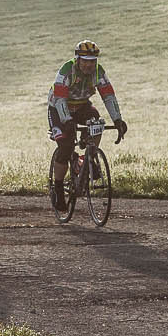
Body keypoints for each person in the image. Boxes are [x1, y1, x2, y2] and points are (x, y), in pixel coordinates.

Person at [48, 39, 126, 210]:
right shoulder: (67, 71)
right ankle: (58, 189)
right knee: (66, 146)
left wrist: (118, 120)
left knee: (96, 121)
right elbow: (60, 99)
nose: (89, 65)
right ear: (77, 59)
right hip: (59, 108)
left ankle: (88, 158)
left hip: (82, 106)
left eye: (92, 61)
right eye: (85, 61)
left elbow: (108, 96)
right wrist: (67, 120)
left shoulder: (98, 72)